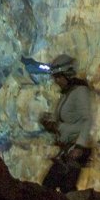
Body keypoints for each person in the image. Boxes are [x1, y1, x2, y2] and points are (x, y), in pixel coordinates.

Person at [39, 54, 95, 191]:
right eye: (55, 77)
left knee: (51, 186)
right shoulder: (68, 93)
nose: (56, 80)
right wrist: (53, 125)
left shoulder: (80, 92)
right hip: (68, 150)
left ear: (68, 74)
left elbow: (87, 120)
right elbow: (68, 120)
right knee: (64, 188)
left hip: (75, 150)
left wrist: (79, 147)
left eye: (59, 77)